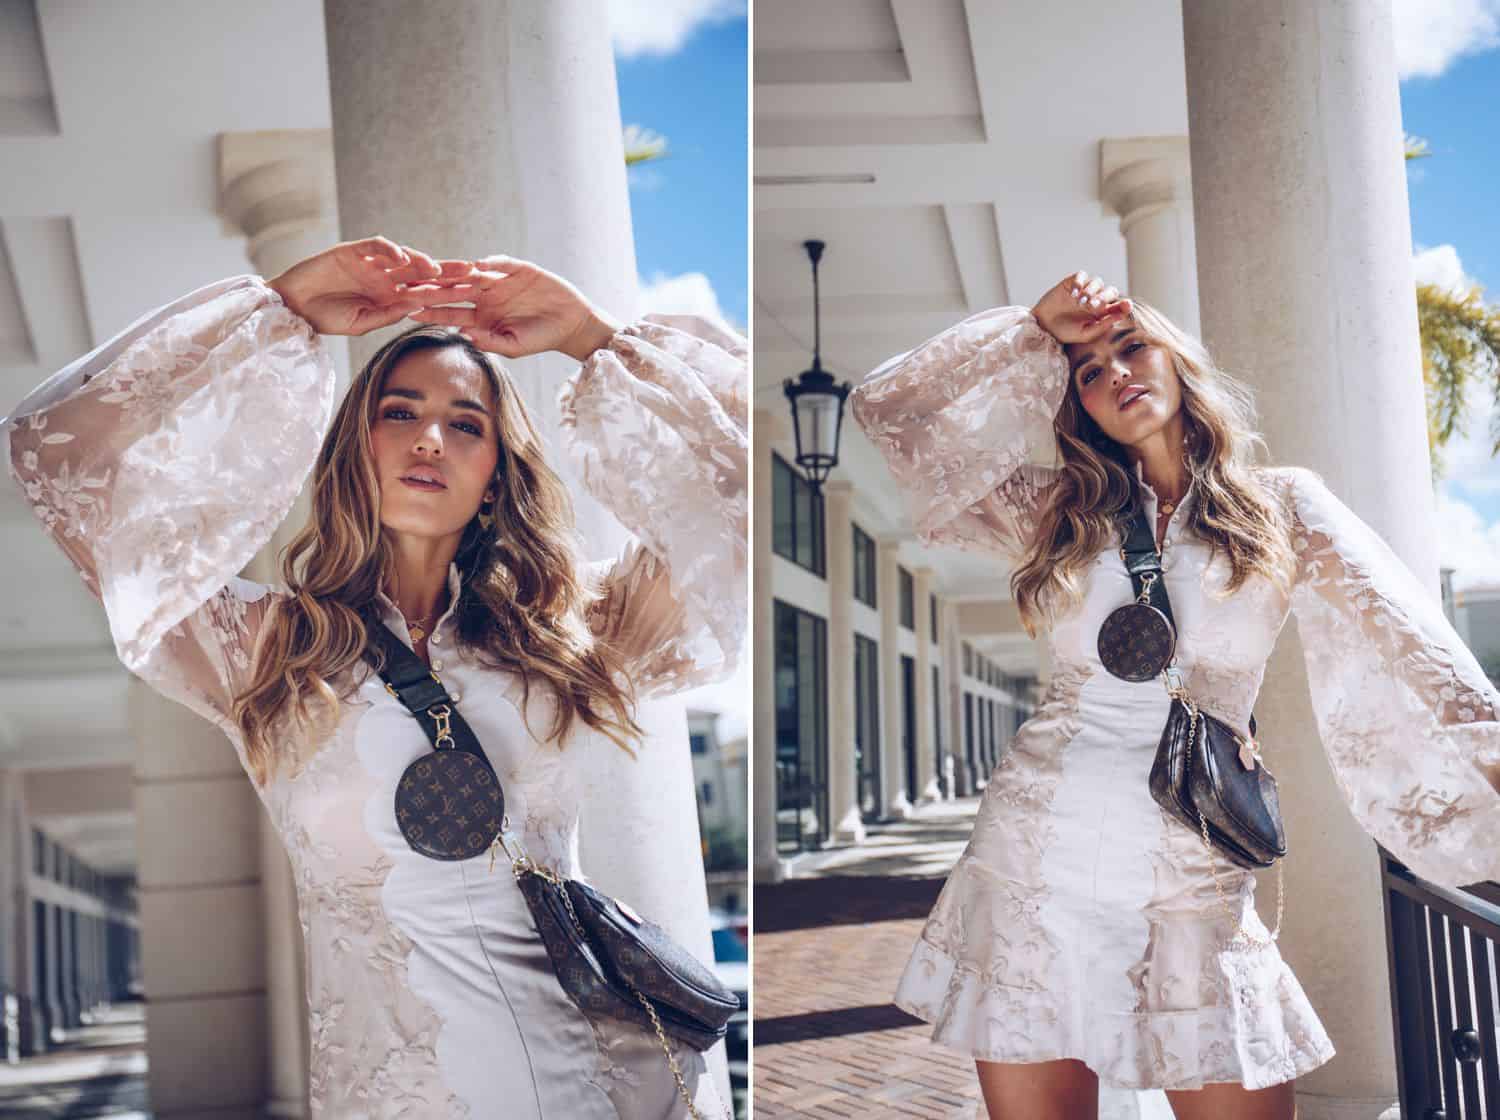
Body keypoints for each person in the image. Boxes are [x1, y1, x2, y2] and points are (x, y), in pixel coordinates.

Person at [3, 237, 746, 1119]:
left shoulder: (570, 634)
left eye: (466, 424)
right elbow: (59, 456)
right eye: (401, 411)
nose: (431, 437)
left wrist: (592, 337)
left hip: (603, 1089)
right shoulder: (259, 647)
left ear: (495, 473)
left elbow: (736, 487)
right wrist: (273, 310)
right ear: (355, 441)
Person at [850, 270, 1500, 1120]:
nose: (1115, 372)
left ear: (1176, 360)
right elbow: (889, 412)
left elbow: (1414, 649)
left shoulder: (1284, 507)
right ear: (1076, 403)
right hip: (1034, 856)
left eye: (1131, 346)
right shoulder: (1054, 512)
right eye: (1087, 371)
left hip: (1191, 860)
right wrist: (1030, 329)